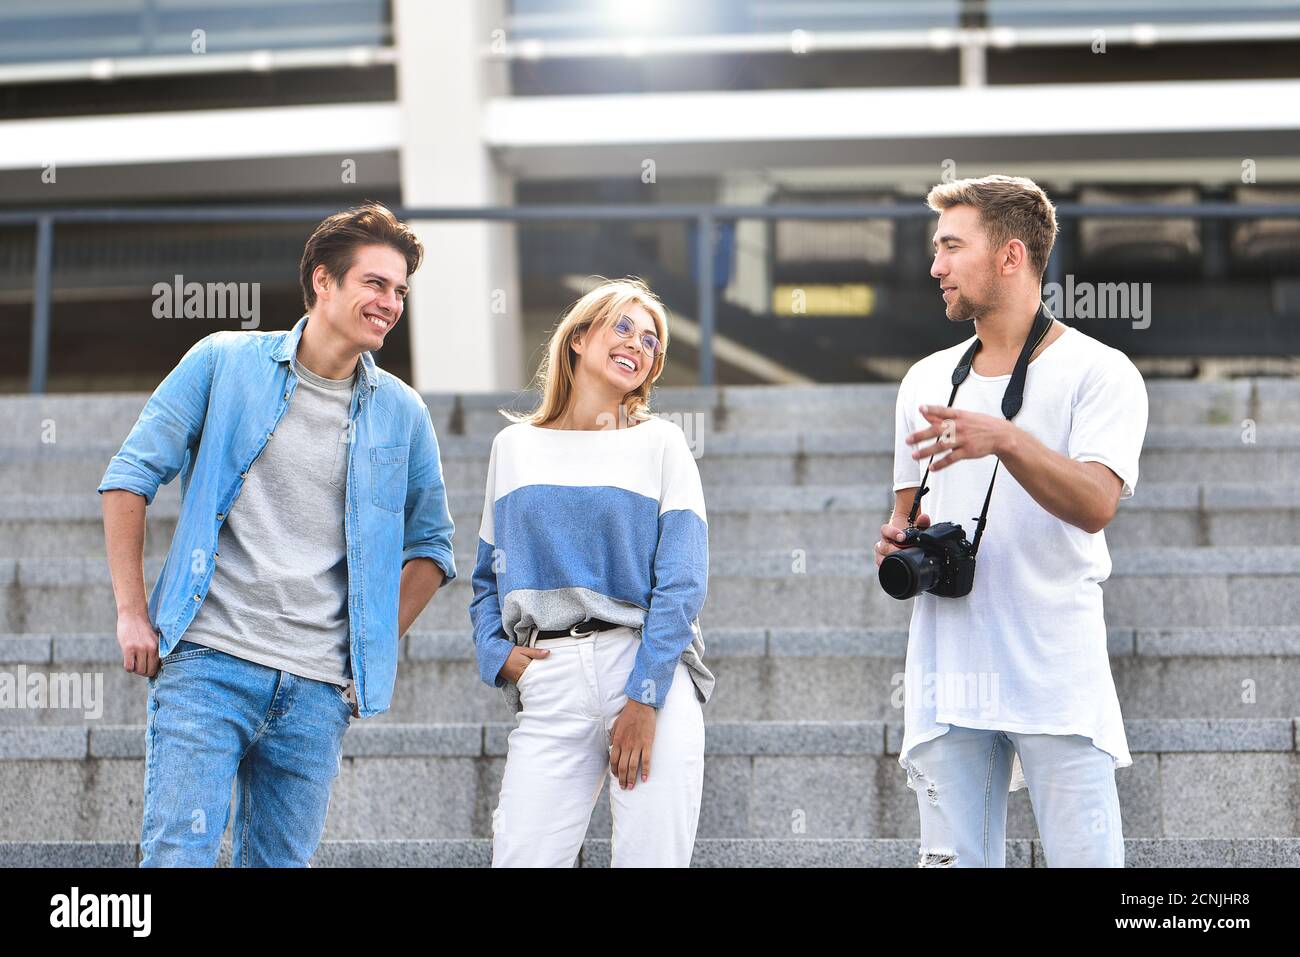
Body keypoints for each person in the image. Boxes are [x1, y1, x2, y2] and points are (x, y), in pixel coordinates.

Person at [99, 202, 456, 867]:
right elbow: (129, 476)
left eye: (400, 290)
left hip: (316, 693)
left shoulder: (403, 414)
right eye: (375, 283)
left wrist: (367, 643)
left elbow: (432, 547)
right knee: (179, 856)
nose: (390, 301)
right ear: (323, 281)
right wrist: (131, 612)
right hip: (209, 663)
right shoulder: (223, 361)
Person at [877, 175, 1148, 867]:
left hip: (1054, 667)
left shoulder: (1100, 370)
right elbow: (907, 516)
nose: (935, 266)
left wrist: (1006, 438)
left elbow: (1096, 503)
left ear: (1010, 255)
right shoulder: (925, 380)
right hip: (948, 672)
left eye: (951, 247)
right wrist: (897, 538)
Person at [470, 277, 713, 867]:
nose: (638, 343)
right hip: (548, 676)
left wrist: (645, 697)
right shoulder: (514, 446)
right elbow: (485, 576)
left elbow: (681, 583)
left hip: (644, 664)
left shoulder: (662, 443)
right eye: (622, 327)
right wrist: (493, 654)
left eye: (652, 340)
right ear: (578, 339)